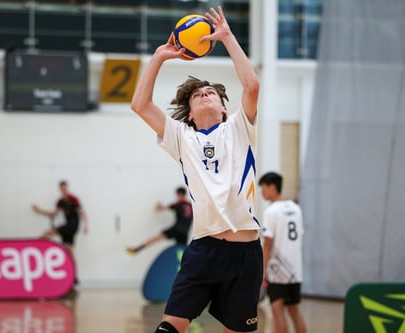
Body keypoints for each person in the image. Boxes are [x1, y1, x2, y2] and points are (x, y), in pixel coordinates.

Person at [131, 6, 262, 333]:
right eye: (198, 94)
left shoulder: (239, 127)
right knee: (169, 327)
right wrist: (159, 58)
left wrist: (229, 39)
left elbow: (252, 87)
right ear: (189, 114)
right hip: (204, 248)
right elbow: (140, 106)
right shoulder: (181, 136)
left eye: (211, 93)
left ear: (223, 106)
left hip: (246, 252)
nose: (205, 94)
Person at [258, 172, 307, 333]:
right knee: (294, 311)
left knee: (277, 311)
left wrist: (263, 271)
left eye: (263, 188)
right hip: (295, 270)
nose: (262, 192)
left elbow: (267, 244)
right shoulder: (296, 208)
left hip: (277, 270)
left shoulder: (271, 211)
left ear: (272, 187)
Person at [126, 186, 193, 254]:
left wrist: (158, 206)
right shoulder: (191, 205)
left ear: (180, 194)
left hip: (177, 229)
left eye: (177, 196)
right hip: (185, 232)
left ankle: (137, 249)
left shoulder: (178, 204)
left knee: (156, 238)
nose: (177, 198)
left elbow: (163, 207)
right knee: (182, 251)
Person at [32, 180, 89, 255]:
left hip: (73, 225)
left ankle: (36, 247)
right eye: (62, 189)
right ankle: (71, 264)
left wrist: (86, 225)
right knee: (69, 249)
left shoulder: (73, 199)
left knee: (47, 233)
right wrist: (39, 210)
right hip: (68, 225)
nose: (64, 191)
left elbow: (82, 212)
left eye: (65, 189)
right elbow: (53, 213)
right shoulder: (60, 201)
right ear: (60, 190)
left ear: (68, 188)